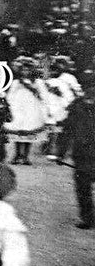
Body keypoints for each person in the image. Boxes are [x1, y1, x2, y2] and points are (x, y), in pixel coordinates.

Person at [56, 86, 95, 229]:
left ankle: (87, 218)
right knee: (83, 188)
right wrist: (60, 152)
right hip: (82, 155)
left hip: (84, 154)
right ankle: (87, 218)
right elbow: (67, 131)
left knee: (83, 188)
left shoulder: (77, 105)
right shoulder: (77, 106)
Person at [5, 56, 47, 165]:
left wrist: (32, 88)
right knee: (19, 132)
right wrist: (11, 106)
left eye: (28, 69)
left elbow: (42, 94)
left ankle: (26, 156)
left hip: (31, 109)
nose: (25, 71)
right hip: (19, 109)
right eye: (23, 69)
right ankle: (17, 154)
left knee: (29, 132)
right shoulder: (16, 82)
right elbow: (10, 95)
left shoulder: (37, 82)